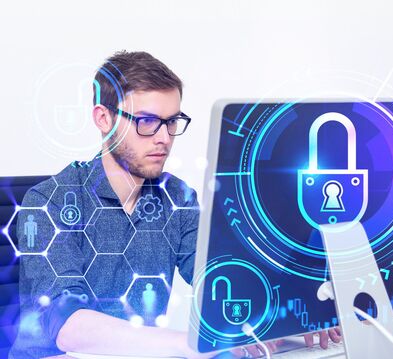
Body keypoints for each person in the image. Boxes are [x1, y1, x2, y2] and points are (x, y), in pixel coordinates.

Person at [9, 51, 340, 359]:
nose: (164, 137)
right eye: (146, 121)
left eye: (171, 121)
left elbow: (221, 277)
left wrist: (297, 311)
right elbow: (68, 326)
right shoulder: (48, 201)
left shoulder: (176, 197)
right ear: (103, 118)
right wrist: (196, 342)